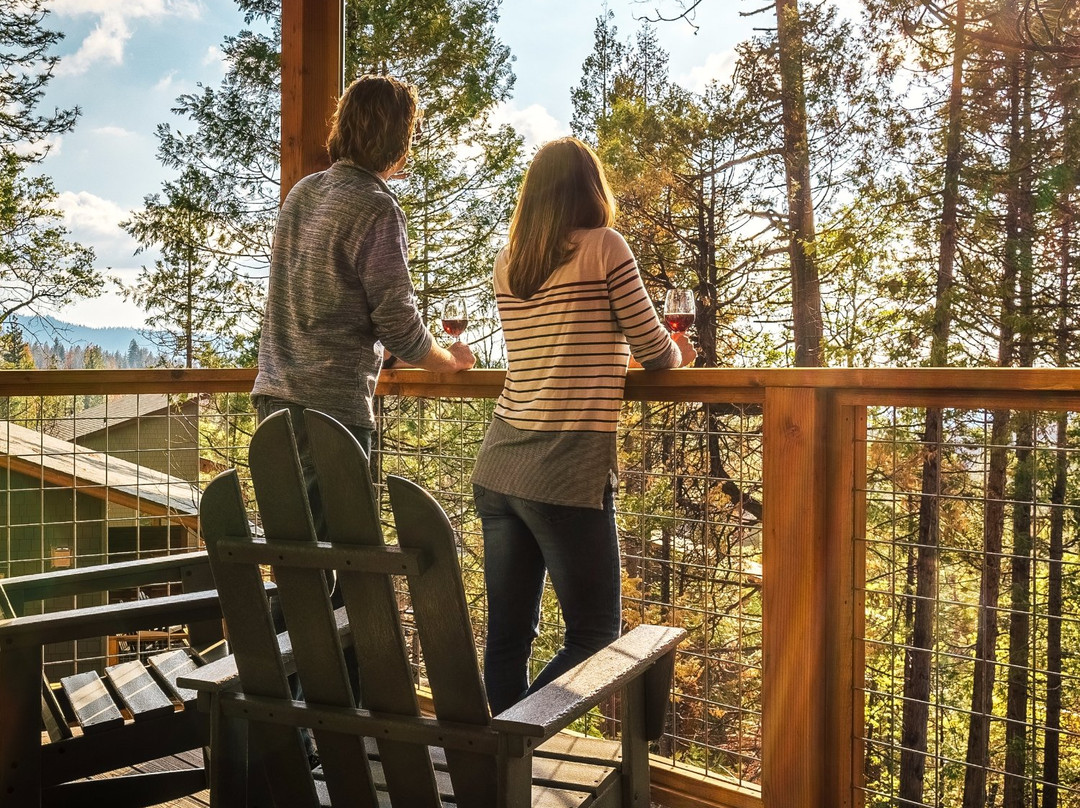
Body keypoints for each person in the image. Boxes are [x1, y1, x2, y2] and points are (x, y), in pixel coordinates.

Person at [472, 137, 696, 714]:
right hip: (567, 471)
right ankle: (516, 741)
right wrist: (680, 351)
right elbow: (653, 351)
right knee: (596, 635)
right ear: (590, 189)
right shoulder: (605, 248)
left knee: (507, 639)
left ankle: (500, 768)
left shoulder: (509, 262)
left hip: (500, 464)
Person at [252, 74, 474, 537]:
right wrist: (446, 364)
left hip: (273, 400)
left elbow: (322, 297)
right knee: (339, 564)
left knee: (293, 556)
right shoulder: (377, 207)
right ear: (400, 139)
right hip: (330, 414)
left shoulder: (303, 193)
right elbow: (400, 325)